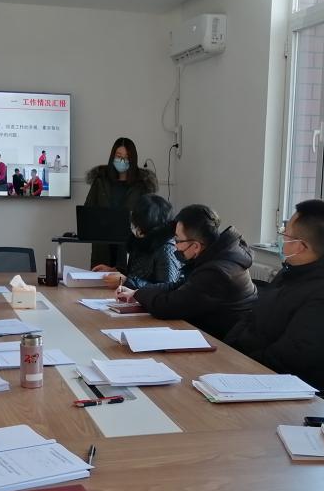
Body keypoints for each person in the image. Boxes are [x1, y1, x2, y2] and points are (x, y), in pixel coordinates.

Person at [224, 200, 324, 389]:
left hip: (285, 391)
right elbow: (251, 317)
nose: (281, 239)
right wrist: (228, 352)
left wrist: (236, 367)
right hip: (246, 372)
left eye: (284, 234)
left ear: (301, 246)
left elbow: (286, 361)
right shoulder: (293, 272)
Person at [117, 204, 256, 339]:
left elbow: (169, 306)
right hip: (205, 330)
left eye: (177, 240)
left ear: (195, 246)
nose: (175, 246)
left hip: (223, 343)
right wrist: (137, 293)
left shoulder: (217, 272)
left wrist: (139, 295)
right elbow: (178, 286)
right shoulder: (212, 256)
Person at [85, 137, 159, 267]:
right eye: (119, 156)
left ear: (133, 159)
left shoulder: (141, 185)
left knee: (125, 278)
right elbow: (88, 210)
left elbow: (149, 217)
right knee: (100, 278)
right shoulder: (101, 181)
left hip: (130, 246)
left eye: (126, 157)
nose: (122, 160)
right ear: (112, 157)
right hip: (102, 246)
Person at [92, 194, 180, 290]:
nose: (134, 224)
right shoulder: (139, 240)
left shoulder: (167, 249)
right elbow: (137, 274)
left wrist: (125, 281)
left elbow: (167, 288)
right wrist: (115, 271)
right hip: (132, 296)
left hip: (147, 299)